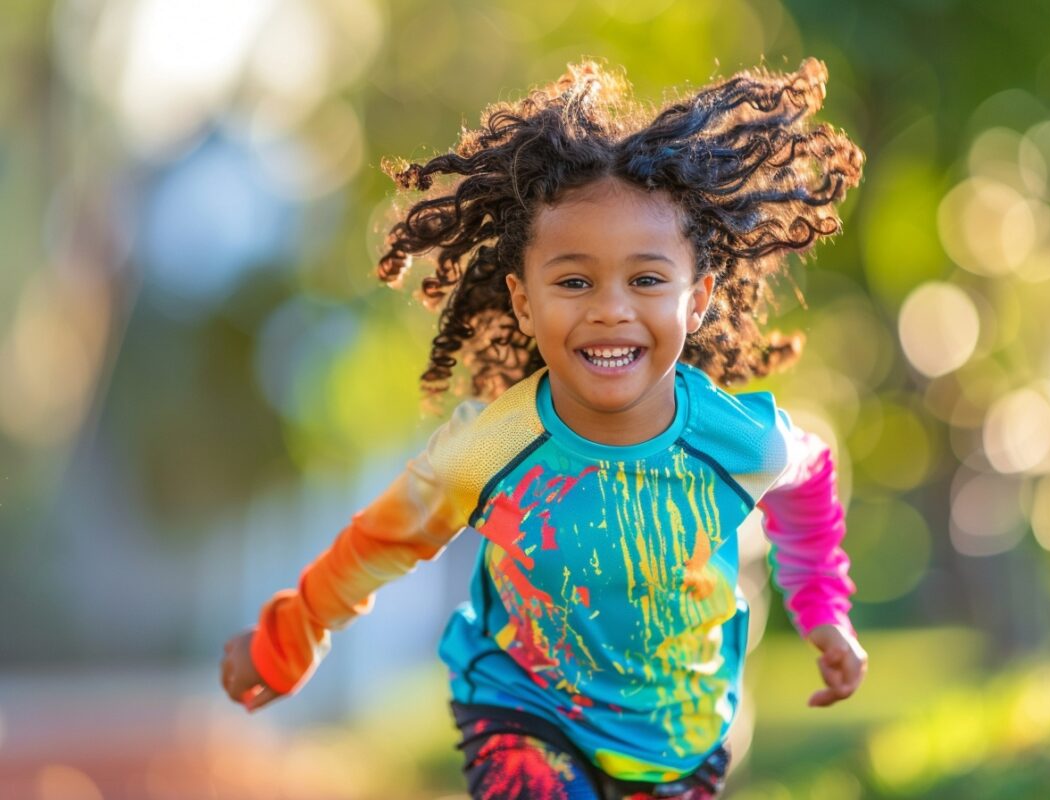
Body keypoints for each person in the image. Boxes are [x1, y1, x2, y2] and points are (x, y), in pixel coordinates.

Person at [221, 58, 867, 800]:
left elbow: (808, 482)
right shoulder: (493, 446)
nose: (611, 309)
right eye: (574, 281)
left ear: (698, 300)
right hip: (522, 712)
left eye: (648, 280)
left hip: (679, 738)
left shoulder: (738, 440)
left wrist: (822, 607)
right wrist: (289, 635)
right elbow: (381, 539)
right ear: (525, 304)